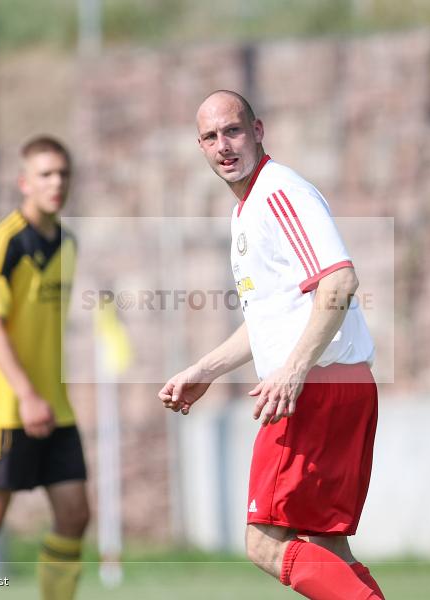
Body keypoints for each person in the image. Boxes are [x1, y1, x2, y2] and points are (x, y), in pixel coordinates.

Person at [159, 90, 386, 600]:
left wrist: (292, 371)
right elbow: (268, 319)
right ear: (200, 147)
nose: (224, 145)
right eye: (211, 137)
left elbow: (339, 282)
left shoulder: (279, 192)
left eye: (233, 130)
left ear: (257, 131)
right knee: (327, 546)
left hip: (314, 391)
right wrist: (205, 370)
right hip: (337, 384)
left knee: (264, 543)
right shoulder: (246, 211)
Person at [0, 136, 90, 600]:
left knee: (75, 515)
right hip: (5, 406)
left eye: (63, 173)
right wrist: (26, 394)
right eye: (45, 174)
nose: (56, 183)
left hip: (55, 406)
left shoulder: (68, 243)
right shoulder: (2, 240)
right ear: (24, 182)